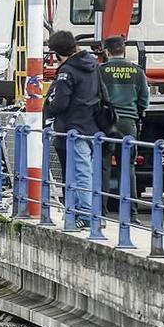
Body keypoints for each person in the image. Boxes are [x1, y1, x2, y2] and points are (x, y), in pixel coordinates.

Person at [44, 30, 100, 229]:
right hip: (92, 125)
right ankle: (86, 211)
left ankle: (85, 213)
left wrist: (48, 108)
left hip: (73, 127)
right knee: (87, 170)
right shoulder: (93, 65)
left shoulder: (67, 70)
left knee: (79, 172)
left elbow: (60, 102)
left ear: (58, 53)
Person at [100, 35, 149, 224]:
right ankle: (131, 214)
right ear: (124, 49)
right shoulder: (137, 72)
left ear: (107, 51)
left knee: (103, 166)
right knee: (127, 167)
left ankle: (101, 213)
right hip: (128, 123)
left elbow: (95, 97)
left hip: (106, 123)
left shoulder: (101, 71)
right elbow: (144, 100)